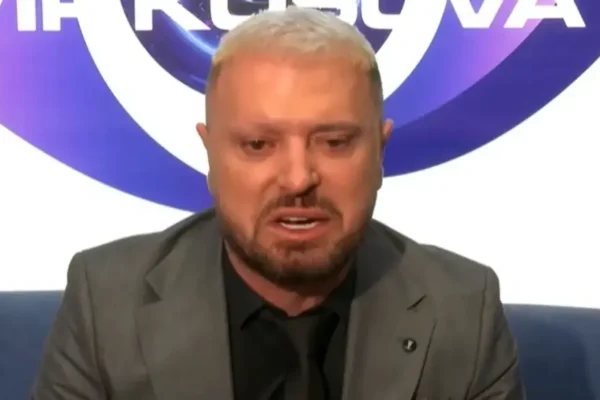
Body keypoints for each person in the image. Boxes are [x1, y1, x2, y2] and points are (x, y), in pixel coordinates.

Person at [31, 7, 525, 400]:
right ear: (210, 154)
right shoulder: (106, 304)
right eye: (258, 144)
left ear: (380, 152)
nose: (297, 178)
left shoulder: (463, 311)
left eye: (334, 142)